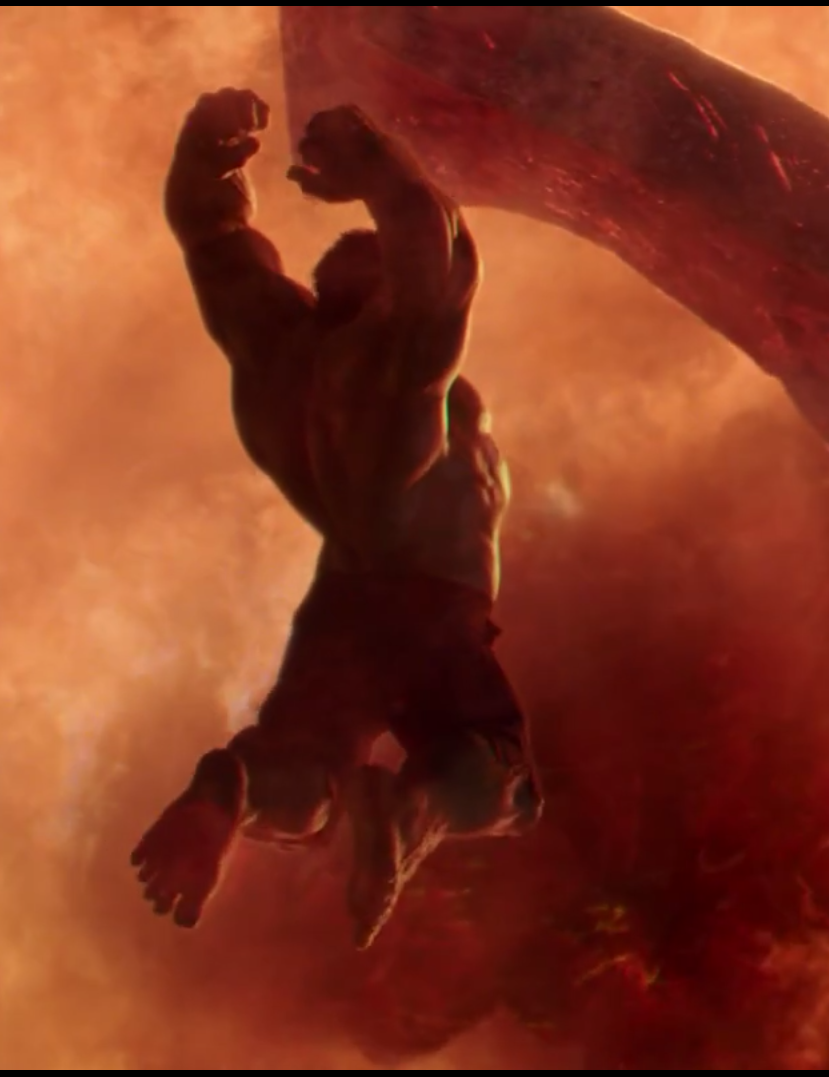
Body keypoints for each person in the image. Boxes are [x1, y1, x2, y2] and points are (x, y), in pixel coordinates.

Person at [129, 87, 541, 948]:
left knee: (306, 765)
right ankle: (414, 813)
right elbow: (443, 260)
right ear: (381, 286)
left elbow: (211, 237)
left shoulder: (280, 349)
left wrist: (207, 151)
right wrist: (381, 165)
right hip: (432, 599)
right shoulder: (403, 359)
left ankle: (235, 788)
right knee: (498, 773)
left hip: (345, 597)